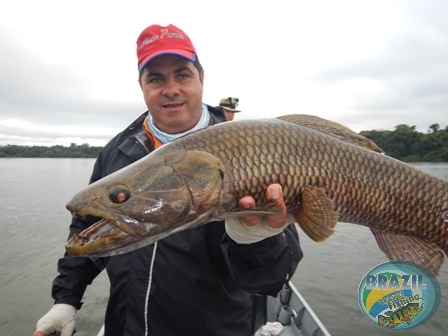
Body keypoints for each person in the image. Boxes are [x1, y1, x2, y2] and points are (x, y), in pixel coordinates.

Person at [34, 24, 302, 336]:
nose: (171, 88)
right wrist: (66, 299)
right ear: (141, 85)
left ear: (201, 78)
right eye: (156, 78)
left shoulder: (252, 149)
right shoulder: (116, 152)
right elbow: (88, 230)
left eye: (182, 74)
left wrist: (257, 239)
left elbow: (272, 279)